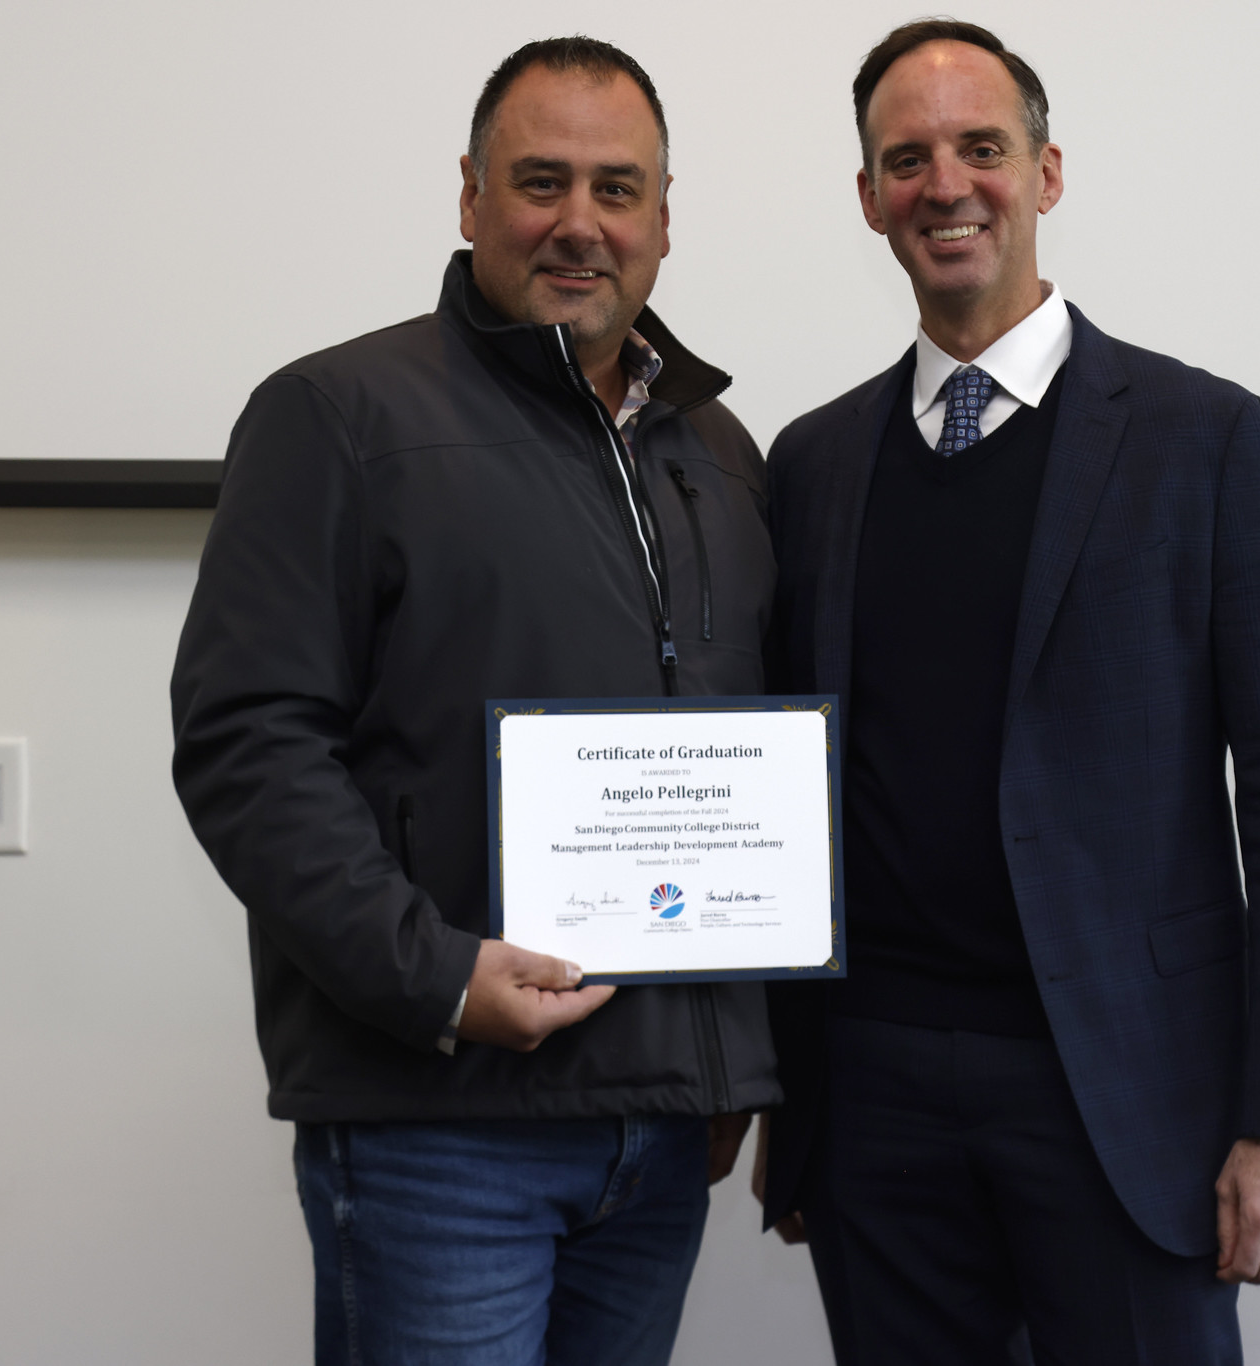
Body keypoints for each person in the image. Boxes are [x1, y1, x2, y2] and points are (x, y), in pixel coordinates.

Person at [754, 20, 1260, 1364]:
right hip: (877, 1096)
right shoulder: (811, 465)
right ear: (868, 199)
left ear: (1047, 171)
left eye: (983, 147)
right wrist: (777, 1096)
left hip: (1127, 1091)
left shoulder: (1206, 439)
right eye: (905, 159)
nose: (946, 184)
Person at [170, 36, 777, 1366]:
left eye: (618, 189)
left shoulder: (718, 454)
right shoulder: (336, 415)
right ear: (469, 197)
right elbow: (247, 742)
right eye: (540, 181)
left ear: (664, 219)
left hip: (662, 1134)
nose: (580, 222)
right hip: (438, 1124)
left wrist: (733, 1059)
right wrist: (439, 977)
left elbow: (732, 768)